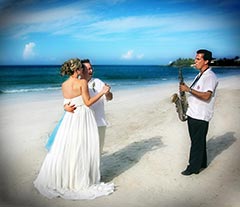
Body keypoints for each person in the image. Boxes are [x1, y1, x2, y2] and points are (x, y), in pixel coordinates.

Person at [34, 58, 114, 199]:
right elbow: (87, 102)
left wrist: (66, 106)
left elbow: (68, 101)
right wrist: (101, 93)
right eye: (84, 68)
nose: (87, 70)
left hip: (71, 120)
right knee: (81, 150)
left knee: (71, 149)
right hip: (83, 119)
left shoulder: (64, 84)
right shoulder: (82, 82)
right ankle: (81, 180)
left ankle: (69, 178)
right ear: (78, 69)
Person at [46, 59, 113, 155]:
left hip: (99, 122)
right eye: (88, 69)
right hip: (83, 124)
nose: (91, 71)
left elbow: (110, 98)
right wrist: (65, 107)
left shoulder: (98, 82)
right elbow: (69, 101)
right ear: (81, 70)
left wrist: (107, 93)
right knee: (83, 153)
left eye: (91, 68)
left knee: (97, 151)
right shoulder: (78, 83)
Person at [179, 49, 218, 176]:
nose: (195, 61)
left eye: (198, 59)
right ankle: (202, 163)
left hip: (200, 115)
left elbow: (207, 96)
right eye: (195, 58)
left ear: (206, 61)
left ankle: (192, 168)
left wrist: (188, 89)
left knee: (196, 142)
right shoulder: (201, 75)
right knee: (198, 141)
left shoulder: (210, 77)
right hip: (194, 112)